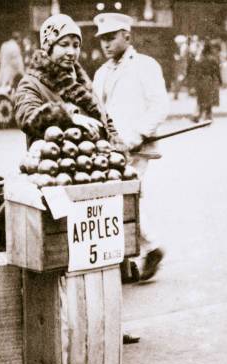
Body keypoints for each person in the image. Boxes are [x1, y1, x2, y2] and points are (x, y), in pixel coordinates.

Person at [92, 12, 169, 282]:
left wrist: (135, 136)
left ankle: (152, 247)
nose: (105, 44)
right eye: (101, 39)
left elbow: (159, 106)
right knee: (119, 199)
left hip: (135, 148)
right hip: (110, 150)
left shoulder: (146, 66)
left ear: (127, 35)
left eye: (111, 38)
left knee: (127, 197)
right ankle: (132, 256)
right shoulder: (101, 73)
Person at [13, 14, 117, 148]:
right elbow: (28, 118)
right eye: (64, 44)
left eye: (76, 45)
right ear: (47, 47)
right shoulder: (31, 83)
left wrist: (118, 150)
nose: (71, 52)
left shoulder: (82, 83)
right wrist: (68, 118)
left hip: (94, 164)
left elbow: (106, 121)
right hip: (53, 165)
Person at [192, 41, 222, 122]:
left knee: (201, 99)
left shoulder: (200, 59)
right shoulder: (213, 59)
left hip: (201, 80)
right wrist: (220, 80)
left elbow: (196, 71)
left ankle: (199, 115)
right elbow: (217, 71)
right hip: (210, 80)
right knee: (209, 99)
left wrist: (195, 82)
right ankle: (208, 115)